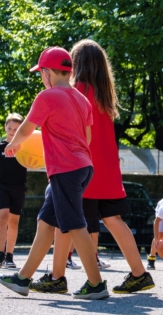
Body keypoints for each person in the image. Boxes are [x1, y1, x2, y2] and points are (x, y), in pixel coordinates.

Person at [29, 40, 154, 295]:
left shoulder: (74, 92)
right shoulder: (104, 96)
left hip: (79, 167)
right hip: (107, 170)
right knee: (114, 220)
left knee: (68, 221)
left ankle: (57, 276)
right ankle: (139, 273)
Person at [0, 46, 108, 299]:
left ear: (48, 73)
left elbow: (26, 129)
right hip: (83, 166)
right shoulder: (82, 100)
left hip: (66, 169)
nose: (41, 78)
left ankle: (96, 284)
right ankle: (23, 279)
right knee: (46, 221)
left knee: (75, 224)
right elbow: (88, 137)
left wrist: (13, 146)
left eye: (41, 73)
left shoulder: (46, 96)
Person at [0, 113, 27, 269]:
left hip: (18, 187)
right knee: (3, 216)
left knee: (14, 222)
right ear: (5, 127)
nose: (12, 131)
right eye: (10, 128)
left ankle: (9, 256)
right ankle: (0, 255)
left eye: (16, 129)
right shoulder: (0, 147)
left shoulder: (26, 147)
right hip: (1, 186)